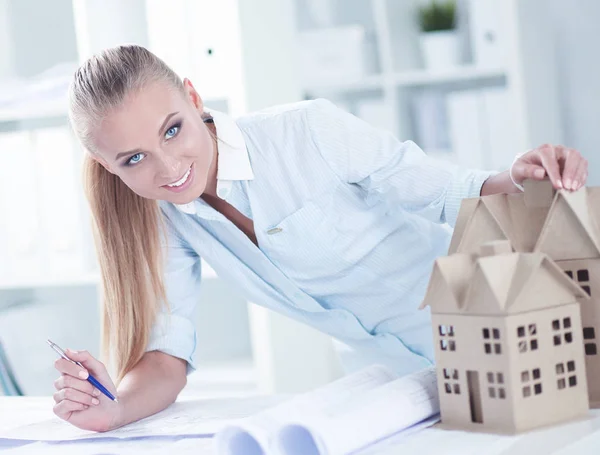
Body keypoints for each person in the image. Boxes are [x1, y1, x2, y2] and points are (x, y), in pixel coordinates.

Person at [52, 45, 588, 432]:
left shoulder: (304, 132)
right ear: (105, 163)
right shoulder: (163, 218)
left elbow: (451, 193)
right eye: (133, 158)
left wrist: (521, 176)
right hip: (402, 400)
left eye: (172, 129)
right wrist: (116, 408)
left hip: (501, 347)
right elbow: (166, 357)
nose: (169, 167)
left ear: (193, 97)